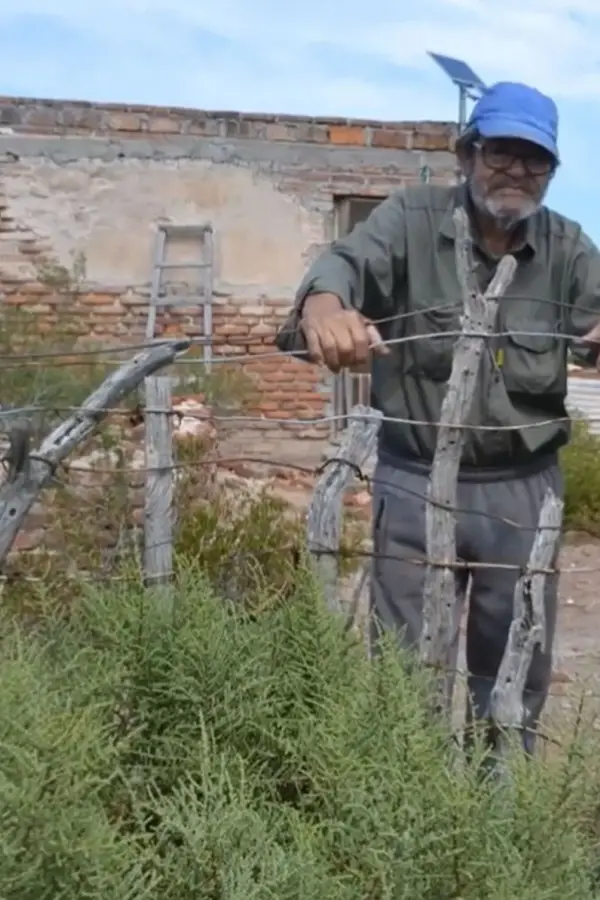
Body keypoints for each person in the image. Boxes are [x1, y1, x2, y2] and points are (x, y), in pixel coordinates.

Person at [275, 81, 600, 754]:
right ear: (466, 154)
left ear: (552, 171)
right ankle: (405, 808)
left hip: (525, 489)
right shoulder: (410, 218)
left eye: (533, 160)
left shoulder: (569, 248)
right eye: (499, 153)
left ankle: (495, 814)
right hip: (414, 480)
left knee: (511, 675)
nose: (515, 171)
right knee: (402, 670)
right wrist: (324, 308)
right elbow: (342, 264)